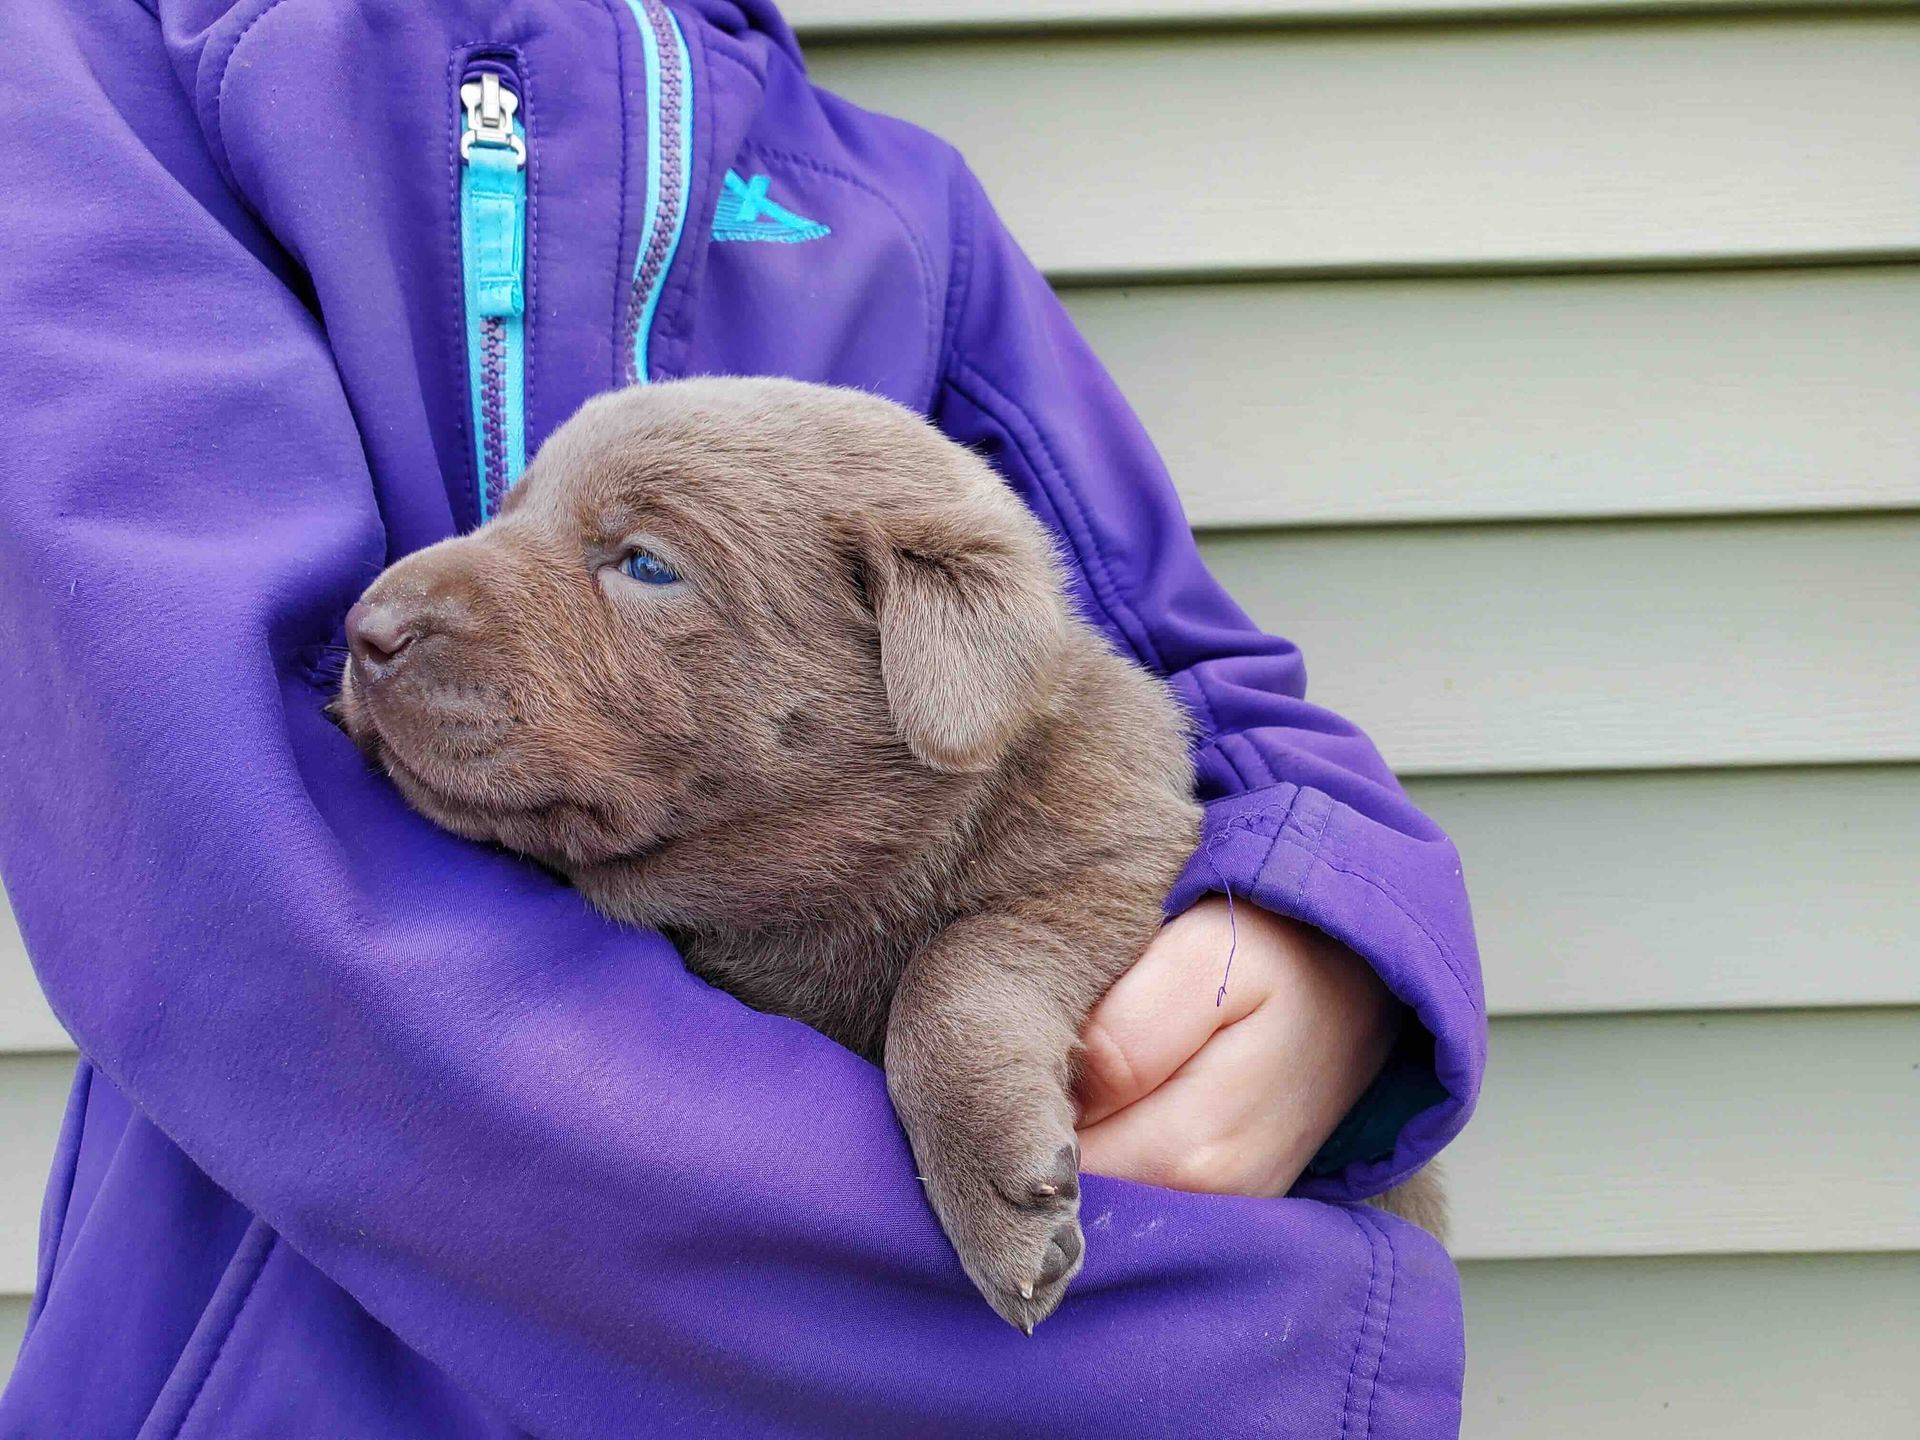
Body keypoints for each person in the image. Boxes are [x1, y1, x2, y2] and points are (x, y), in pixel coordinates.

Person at [0, 0, 1485, 1434]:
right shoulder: (103, 67)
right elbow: (224, 857)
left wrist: (1327, 943)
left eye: (637, 563)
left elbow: (1179, 691)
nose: (394, 617)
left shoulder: (891, 204)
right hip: (309, 1370)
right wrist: (1255, 1359)